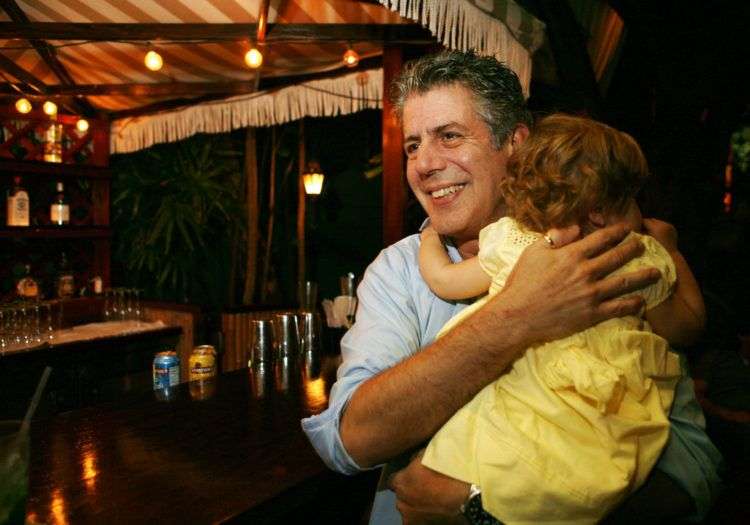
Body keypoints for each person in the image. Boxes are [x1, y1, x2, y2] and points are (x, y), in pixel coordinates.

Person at [301, 50, 721, 524]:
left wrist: (486, 511)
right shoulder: (398, 273)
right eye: (413, 145)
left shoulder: (601, 247)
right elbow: (350, 441)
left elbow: (692, 469)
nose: (423, 165)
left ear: (516, 144)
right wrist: (519, 315)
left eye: (450, 136)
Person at [417, 113, 705, 523]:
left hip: (524, 389)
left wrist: (429, 237)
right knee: (580, 469)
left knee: (493, 446)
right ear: (603, 211)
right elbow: (688, 326)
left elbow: (444, 280)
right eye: (633, 199)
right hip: (601, 403)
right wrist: (672, 249)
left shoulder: (516, 241)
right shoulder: (635, 257)